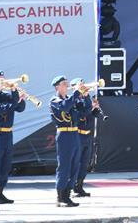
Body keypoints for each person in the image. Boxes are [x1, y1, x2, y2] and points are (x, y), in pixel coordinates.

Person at [50, 75, 87, 207]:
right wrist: (77, 92)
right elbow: (65, 107)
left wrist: (85, 95)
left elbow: (83, 112)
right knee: (64, 166)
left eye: (67, 83)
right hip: (64, 134)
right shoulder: (55, 100)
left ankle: (67, 195)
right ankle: (60, 197)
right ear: (57, 87)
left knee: (74, 165)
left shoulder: (71, 99)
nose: (67, 85)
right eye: (64, 84)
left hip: (74, 133)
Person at [0, 71, 26, 206]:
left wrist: (17, 94)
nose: (4, 82)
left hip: (7, 133)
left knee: (5, 165)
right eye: (0, 80)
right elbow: (6, 108)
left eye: (3, 80)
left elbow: (19, 108)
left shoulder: (6, 95)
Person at [72, 79, 104, 198]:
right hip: (79, 135)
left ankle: (79, 186)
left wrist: (96, 108)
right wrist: (90, 107)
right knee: (77, 162)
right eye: (81, 85)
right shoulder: (74, 100)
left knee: (85, 163)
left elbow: (92, 115)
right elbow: (81, 115)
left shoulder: (87, 99)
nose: (84, 87)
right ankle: (73, 186)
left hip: (88, 135)